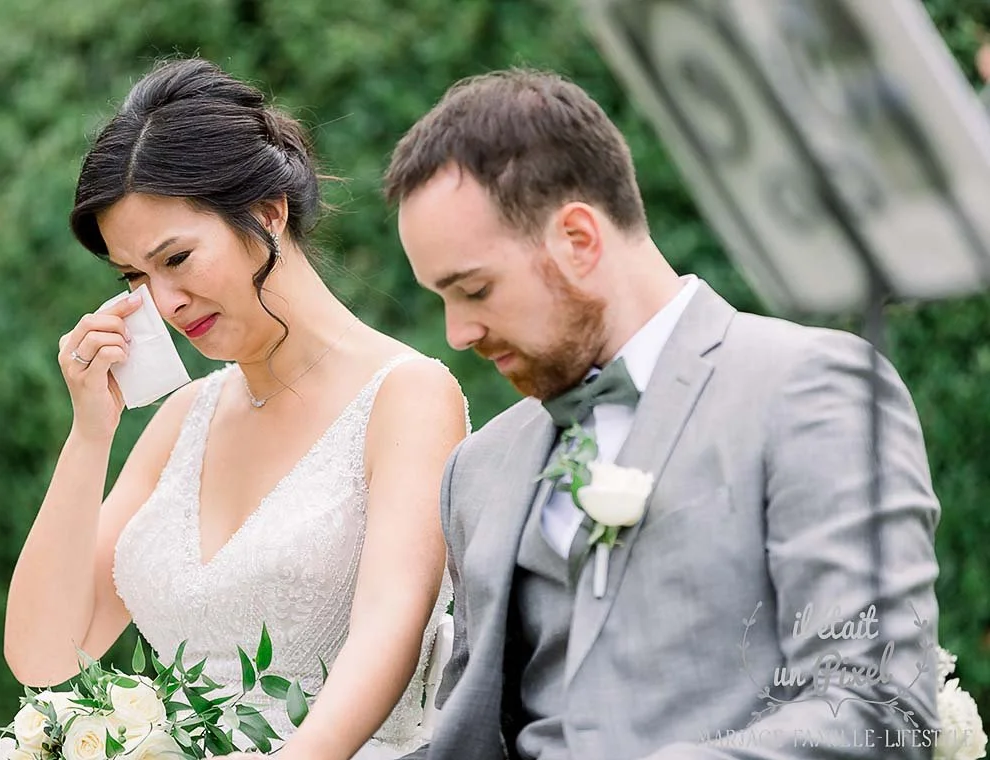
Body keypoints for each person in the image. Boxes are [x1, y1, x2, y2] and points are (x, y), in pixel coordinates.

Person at [384, 69, 942, 760]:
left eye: (473, 289)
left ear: (579, 239)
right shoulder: (478, 468)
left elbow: (879, 704)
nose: (457, 333)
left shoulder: (812, 389)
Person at [3, 58, 466, 760]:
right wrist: (90, 433)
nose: (161, 302)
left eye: (177, 258)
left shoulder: (408, 396)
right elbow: (44, 658)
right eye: (134, 276)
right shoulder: (182, 418)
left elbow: (387, 631)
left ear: (266, 211)